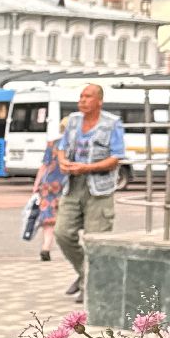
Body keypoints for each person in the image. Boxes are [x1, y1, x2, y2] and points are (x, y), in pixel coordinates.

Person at [54, 83, 126, 303]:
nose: (82, 100)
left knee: (95, 240)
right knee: (62, 233)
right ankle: (85, 273)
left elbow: (116, 158)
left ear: (99, 101)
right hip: (73, 185)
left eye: (87, 96)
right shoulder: (73, 121)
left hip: (99, 190)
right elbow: (61, 147)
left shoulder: (112, 123)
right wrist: (63, 161)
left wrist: (88, 167)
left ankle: (90, 286)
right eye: (81, 96)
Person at [29, 138, 65, 261]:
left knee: (48, 219)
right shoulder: (76, 142)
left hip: (48, 185)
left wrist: (36, 184)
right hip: (66, 185)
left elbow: (45, 165)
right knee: (66, 218)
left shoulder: (52, 144)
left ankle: (46, 247)